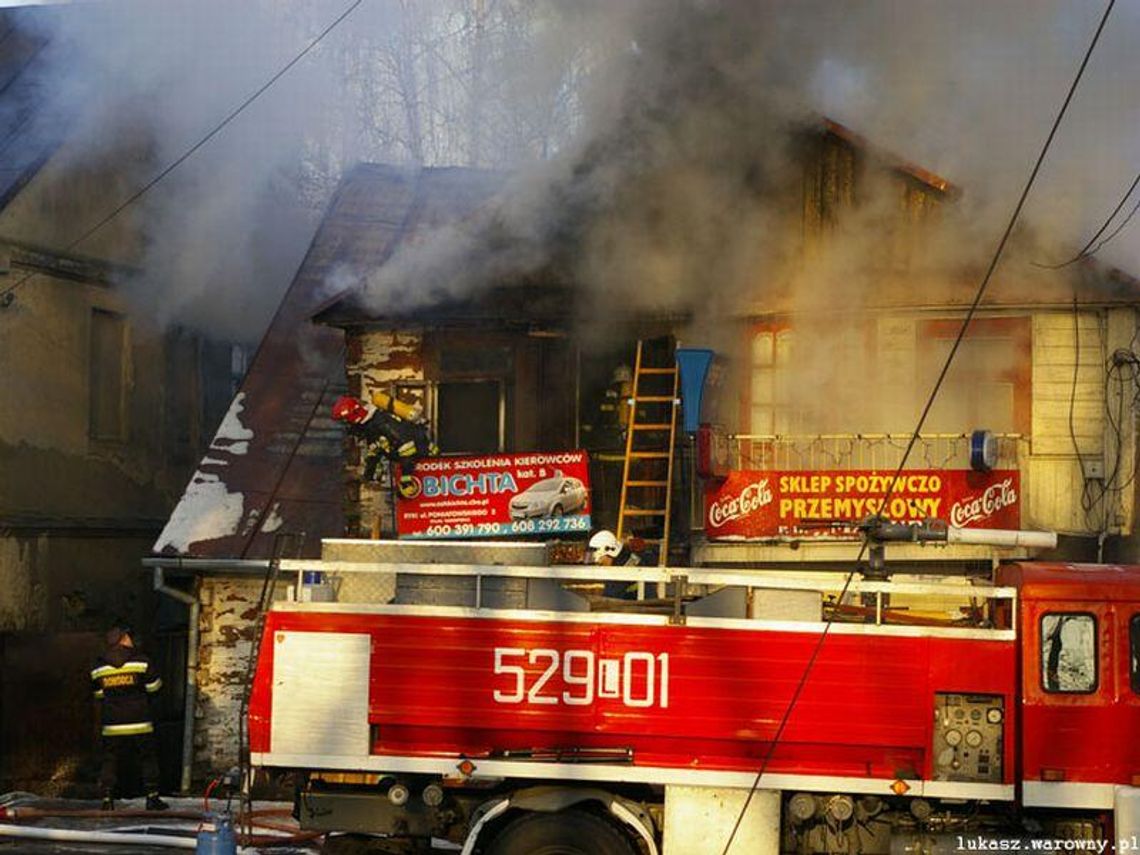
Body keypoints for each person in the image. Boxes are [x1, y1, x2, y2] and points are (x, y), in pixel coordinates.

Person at [91, 625, 168, 811]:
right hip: (140, 721)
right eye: (128, 636)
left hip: (112, 724)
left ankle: (107, 800)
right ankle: (152, 798)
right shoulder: (141, 662)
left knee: (110, 759)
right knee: (147, 758)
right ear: (124, 639)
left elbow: (99, 695)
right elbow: (155, 688)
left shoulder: (99, 667)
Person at [331, 394, 438, 483]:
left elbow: (407, 447)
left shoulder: (382, 423)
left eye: (347, 421)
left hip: (429, 462)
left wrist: (406, 478)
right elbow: (374, 451)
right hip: (415, 467)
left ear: (355, 417)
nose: (348, 426)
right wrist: (366, 476)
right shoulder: (370, 426)